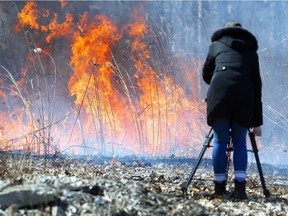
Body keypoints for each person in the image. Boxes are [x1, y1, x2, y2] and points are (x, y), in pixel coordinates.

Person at [202, 21, 263, 199]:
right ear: (243, 35)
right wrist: (256, 122)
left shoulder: (216, 46)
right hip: (243, 96)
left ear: (224, 32)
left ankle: (219, 188)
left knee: (220, 140)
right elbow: (257, 85)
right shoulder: (251, 52)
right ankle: (240, 189)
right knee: (239, 141)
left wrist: (218, 83)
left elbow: (207, 74)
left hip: (219, 93)